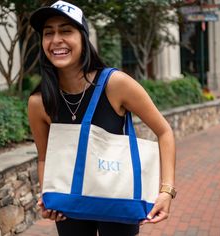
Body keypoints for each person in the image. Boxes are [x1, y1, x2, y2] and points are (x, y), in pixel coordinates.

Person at [28, 1, 176, 235]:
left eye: (66, 30)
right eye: (49, 33)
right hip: (70, 205)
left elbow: (164, 131)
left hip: (118, 198)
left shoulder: (115, 84)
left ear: (83, 38)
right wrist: (48, 194)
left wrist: (166, 191)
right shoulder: (39, 102)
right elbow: (44, 157)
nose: (56, 39)